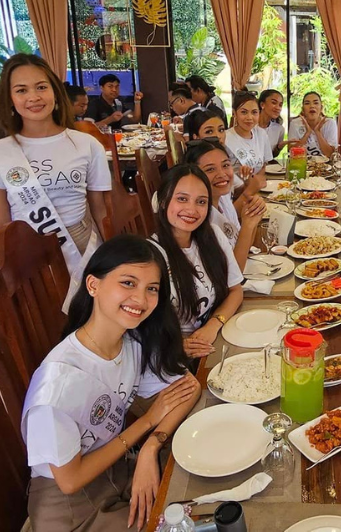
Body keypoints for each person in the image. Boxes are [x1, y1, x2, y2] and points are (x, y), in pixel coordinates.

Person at [22, 235, 201, 531]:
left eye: (151, 289)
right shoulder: (58, 386)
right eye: (128, 283)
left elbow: (188, 388)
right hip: (71, 508)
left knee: (200, 499)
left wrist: (150, 448)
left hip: (119, 470)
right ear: (93, 285)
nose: (141, 300)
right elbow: (69, 481)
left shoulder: (131, 341)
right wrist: (147, 423)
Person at [0, 54, 110, 277]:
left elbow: (100, 209)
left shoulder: (87, 144)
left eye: (41, 87)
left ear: (55, 92)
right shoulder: (3, 151)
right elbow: (4, 222)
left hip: (83, 243)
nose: (34, 97)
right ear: (10, 98)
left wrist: (112, 258)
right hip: (28, 254)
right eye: (21, 90)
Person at [152, 164, 243, 359]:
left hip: (214, 340)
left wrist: (213, 325)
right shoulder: (150, 257)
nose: (191, 209)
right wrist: (178, 347)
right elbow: (139, 331)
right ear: (162, 201)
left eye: (201, 202)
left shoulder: (214, 236)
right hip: (172, 356)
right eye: (182, 199)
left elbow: (236, 290)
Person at [184, 139, 266, 271]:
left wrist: (252, 216)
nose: (222, 174)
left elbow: (241, 245)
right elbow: (233, 274)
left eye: (226, 165)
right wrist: (248, 225)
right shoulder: (199, 218)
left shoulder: (223, 199)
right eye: (210, 169)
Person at [225, 91, 272, 175]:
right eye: (244, 112)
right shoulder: (225, 138)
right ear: (234, 113)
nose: (249, 117)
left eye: (254, 112)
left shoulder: (261, 134)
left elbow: (265, 165)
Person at [288, 91, 338, 158]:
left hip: (326, 166)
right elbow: (292, 152)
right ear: (303, 109)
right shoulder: (295, 123)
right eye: (307, 103)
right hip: (302, 164)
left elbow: (329, 154)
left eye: (316, 103)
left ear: (321, 108)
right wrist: (307, 133)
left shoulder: (330, 123)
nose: (312, 106)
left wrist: (317, 132)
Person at [258, 89, 290, 157]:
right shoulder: (249, 126)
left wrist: (279, 148)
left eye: (280, 105)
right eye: (274, 103)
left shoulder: (279, 129)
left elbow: (272, 156)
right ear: (262, 104)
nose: (278, 108)